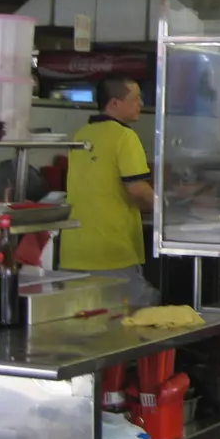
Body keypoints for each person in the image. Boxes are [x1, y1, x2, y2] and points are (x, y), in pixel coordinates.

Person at [62, 77, 159, 307]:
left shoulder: (81, 134)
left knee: (86, 322)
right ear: (114, 104)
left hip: (74, 249)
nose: (141, 103)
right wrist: (168, 209)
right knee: (138, 314)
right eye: (135, 98)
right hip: (112, 249)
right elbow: (137, 188)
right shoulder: (124, 136)